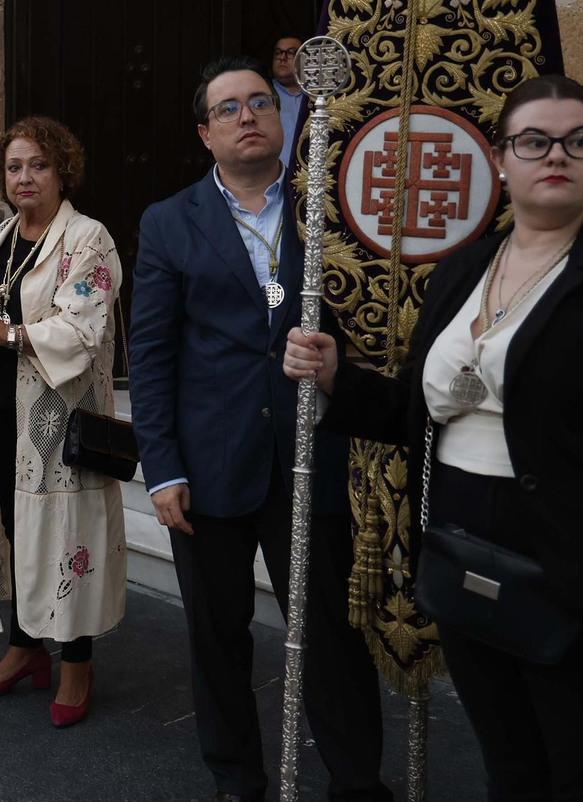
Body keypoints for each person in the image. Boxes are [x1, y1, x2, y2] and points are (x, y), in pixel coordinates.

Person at [284, 75, 583, 801]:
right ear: (501, 160)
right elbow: (416, 409)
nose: (557, 155)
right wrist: (333, 378)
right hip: (465, 563)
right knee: (511, 772)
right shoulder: (466, 268)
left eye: (579, 140)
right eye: (534, 140)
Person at [129, 56, 390, 802]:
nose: (247, 116)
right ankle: (236, 778)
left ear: (283, 122)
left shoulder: (330, 211)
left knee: (334, 638)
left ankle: (357, 782)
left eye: (260, 104)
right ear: (205, 133)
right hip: (209, 463)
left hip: (311, 452)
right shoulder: (169, 221)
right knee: (218, 637)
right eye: (229, 109)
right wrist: (164, 467)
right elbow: (149, 356)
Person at [0, 116, 126, 728]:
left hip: (57, 419)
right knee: (17, 530)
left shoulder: (88, 237)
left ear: (62, 171)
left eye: (38, 165)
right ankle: (24, 647)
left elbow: (84, 327)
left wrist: (5, 333)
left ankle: (76, 662)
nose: (25, 177)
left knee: (66, 536)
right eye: (15, 167)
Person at [269, 35, 305, 170]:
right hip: (276, 178)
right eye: (278, 53)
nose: (282, 58)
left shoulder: (318, 96)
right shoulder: (264, 95)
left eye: (291, 52)